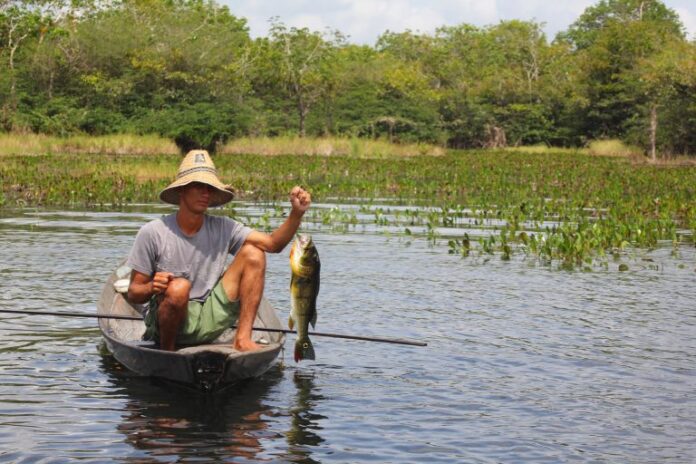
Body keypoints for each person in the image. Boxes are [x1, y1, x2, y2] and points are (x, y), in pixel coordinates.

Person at [126, 149, 311, 352]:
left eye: (209, 187)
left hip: (210, 314)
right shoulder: (153, 232)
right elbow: (134, 293)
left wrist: (296, 214)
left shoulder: (223, 227)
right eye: (198, 186)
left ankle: (242, 338)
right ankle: (167, 351)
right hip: (169, 322)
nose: (205, 193)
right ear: (181, 190)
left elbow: (272, 244)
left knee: (254, 253)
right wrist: (153, 286)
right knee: (179, 289)